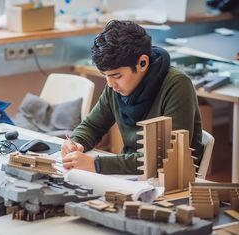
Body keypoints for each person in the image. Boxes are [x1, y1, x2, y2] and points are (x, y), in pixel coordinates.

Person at [61, 20, 204, 174]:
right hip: (132, 175)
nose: (111, 84)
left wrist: (98, 164)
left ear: (142, 63)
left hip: (171, 180)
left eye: (117, 75)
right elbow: (92, 126)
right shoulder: (115, 87)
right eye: (106, 76)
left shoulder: (177, 84)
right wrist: (76, 142)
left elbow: (168, 157)